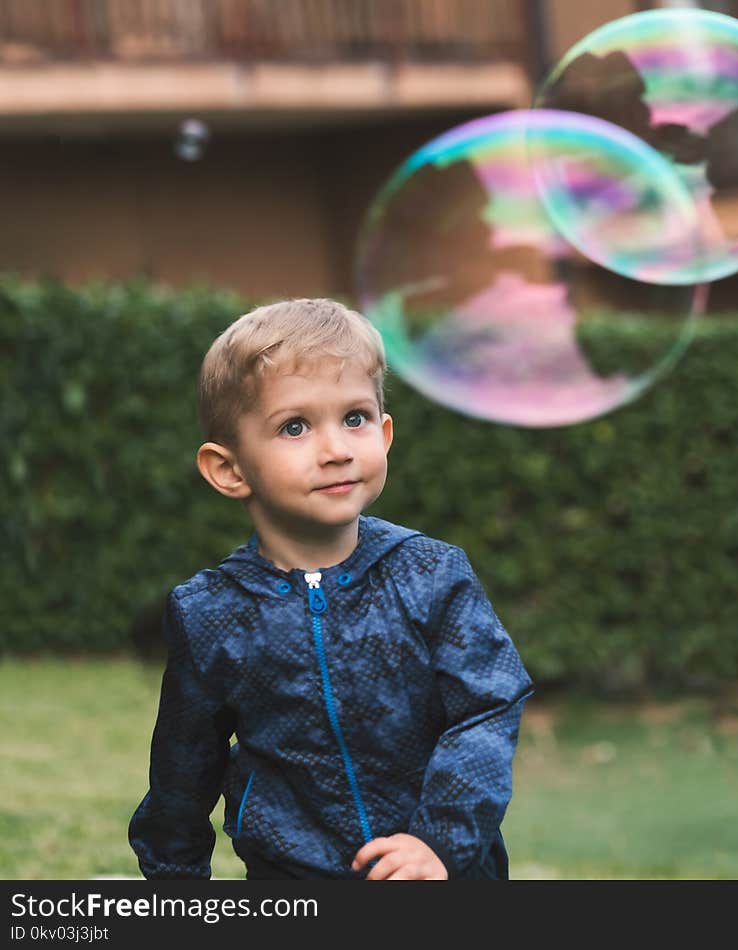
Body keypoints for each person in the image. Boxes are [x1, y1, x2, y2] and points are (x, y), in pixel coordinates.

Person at [128, 297, 534, 880]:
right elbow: (181, 773)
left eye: (355, 418)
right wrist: (174, 884)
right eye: (295, 426)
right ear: (230, 469)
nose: (338, 448)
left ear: (385, 432)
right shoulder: (210, 613)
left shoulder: (432, 573)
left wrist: (439, 840)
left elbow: (487, 707)